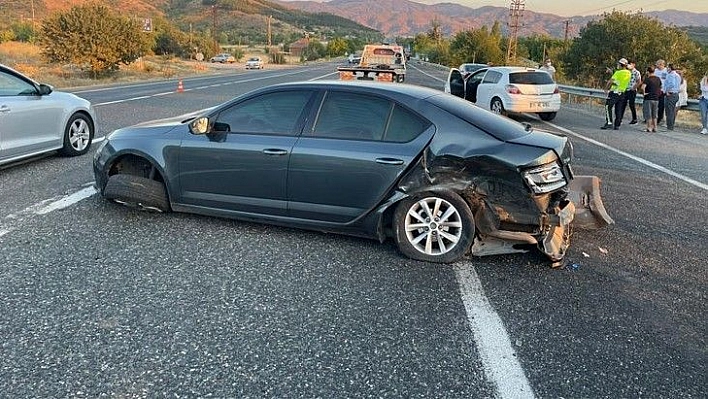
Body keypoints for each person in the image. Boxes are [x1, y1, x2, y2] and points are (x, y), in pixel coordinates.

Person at [602, 58, 631, 130]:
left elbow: (611, 81)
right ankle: (617, 124)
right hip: (622, 93)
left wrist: (606, 88)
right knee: (619, 109)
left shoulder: (618, 73)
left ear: (621, 65)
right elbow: (620, 80)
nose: (617, 65)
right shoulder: (628, 73)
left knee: (608, 106)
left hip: (614, 92)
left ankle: (609, 123)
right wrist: (612, 72)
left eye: (618, 64)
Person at [641, 66, 662, 133]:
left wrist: (644, 93)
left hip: (648, 98)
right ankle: (655, 127)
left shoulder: (647, 79)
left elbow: (642, 87)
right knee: (654, 114)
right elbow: (660, 87)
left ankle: (649, 127)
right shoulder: (658, 79)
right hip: (656, 98)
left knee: (648, 114)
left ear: (648, 71)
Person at [663, 64, 681, 131]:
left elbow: (672, 84)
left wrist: (667, 90)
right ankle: (671, 126)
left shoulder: (671, 75)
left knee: (669, 111)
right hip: (675, 94)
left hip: (670, 94)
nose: (667, 69)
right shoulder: (677, 75)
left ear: (670, 68)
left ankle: (669, 127)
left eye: (667, 67)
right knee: (672, 111)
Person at [623, 60, 642, 125]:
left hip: (632, 91)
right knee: (623, 104)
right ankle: (619, 119)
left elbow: (639, 81)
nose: (629, 65)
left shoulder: (636, 72)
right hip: (625, 90)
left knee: (631, 105)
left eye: (630, 64)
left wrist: (633, 88)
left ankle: (634, 119)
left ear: (634, 65)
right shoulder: (627, 72)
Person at [654, 59, 669, 124]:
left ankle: (659, 119)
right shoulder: (655, 71)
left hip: (662, 91)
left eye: (658, 64)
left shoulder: (666, 71)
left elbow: (668, 81)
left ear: (662, 64)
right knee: (653, 105)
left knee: (661, 106)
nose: (656, 65)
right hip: (655, 90)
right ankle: (651, 118)